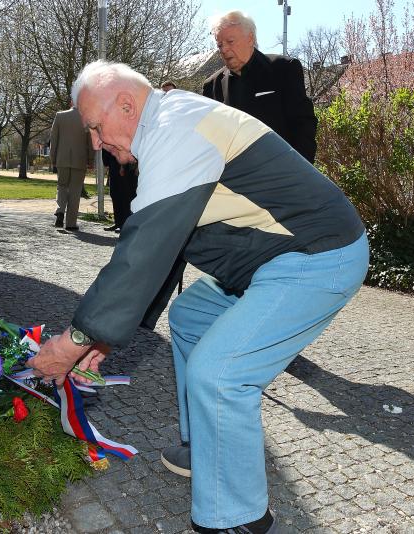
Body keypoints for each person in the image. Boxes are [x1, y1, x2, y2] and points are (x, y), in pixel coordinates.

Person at [26, 60, 367, 534]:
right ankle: (206, 449)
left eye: (96, 129)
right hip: (272, 259)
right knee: (190, 316)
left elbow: (142, 251)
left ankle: (241, 518)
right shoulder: (168, 127)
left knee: (220, 373)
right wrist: (102, 341)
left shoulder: (178, 129)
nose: (97, 144)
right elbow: (160, 251)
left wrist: (75, 339)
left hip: (318, 255)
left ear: (127, 104)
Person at [201, 11, 318, 164]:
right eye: (219, 44)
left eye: (230, 41)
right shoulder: (212, 86)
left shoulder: (283, 69)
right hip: (235, 178)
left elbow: (303, 123)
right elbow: (210, 139)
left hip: (281, 171)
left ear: (250, 38)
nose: (223, 49)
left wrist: (300, 170)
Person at [49, 105, 93, 231]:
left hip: (62, 159)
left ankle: (60, 210)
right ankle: (70, 223)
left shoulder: (60, 116)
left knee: (62, 186)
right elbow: (90, 141)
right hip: (80, 159)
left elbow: (54, 139)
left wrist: (53, 158)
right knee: (75, 191)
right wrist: (90, 159)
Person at [101, 149, 137, 232]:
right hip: (113, 163)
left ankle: (126, 223)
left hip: (127, 165)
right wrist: (106, 161)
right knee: (115, 194)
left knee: (126, 195)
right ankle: (118, 222)